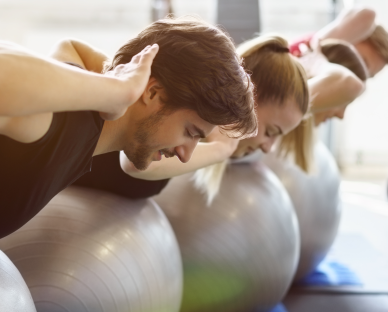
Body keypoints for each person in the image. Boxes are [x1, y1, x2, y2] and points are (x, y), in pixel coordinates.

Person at [0, 16, 258, 250]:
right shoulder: (63, 121)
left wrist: (221, 149)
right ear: (151, 92)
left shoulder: (88, 136)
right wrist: (114, 86)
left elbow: (68, 52)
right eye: (190, 131)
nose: (186, 154)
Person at [74, 35, 311, 198]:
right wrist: (222, 149)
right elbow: (134, 166)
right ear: (252, 102)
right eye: (270, 132)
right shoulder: (195, 114)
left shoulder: (201, 134)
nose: (269, 148)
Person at [289, 7, 388, 77]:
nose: (360, 76)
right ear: (356, 34)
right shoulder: (316, 48)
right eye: (363, 63)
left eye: (368, 76)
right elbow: (368, 15)